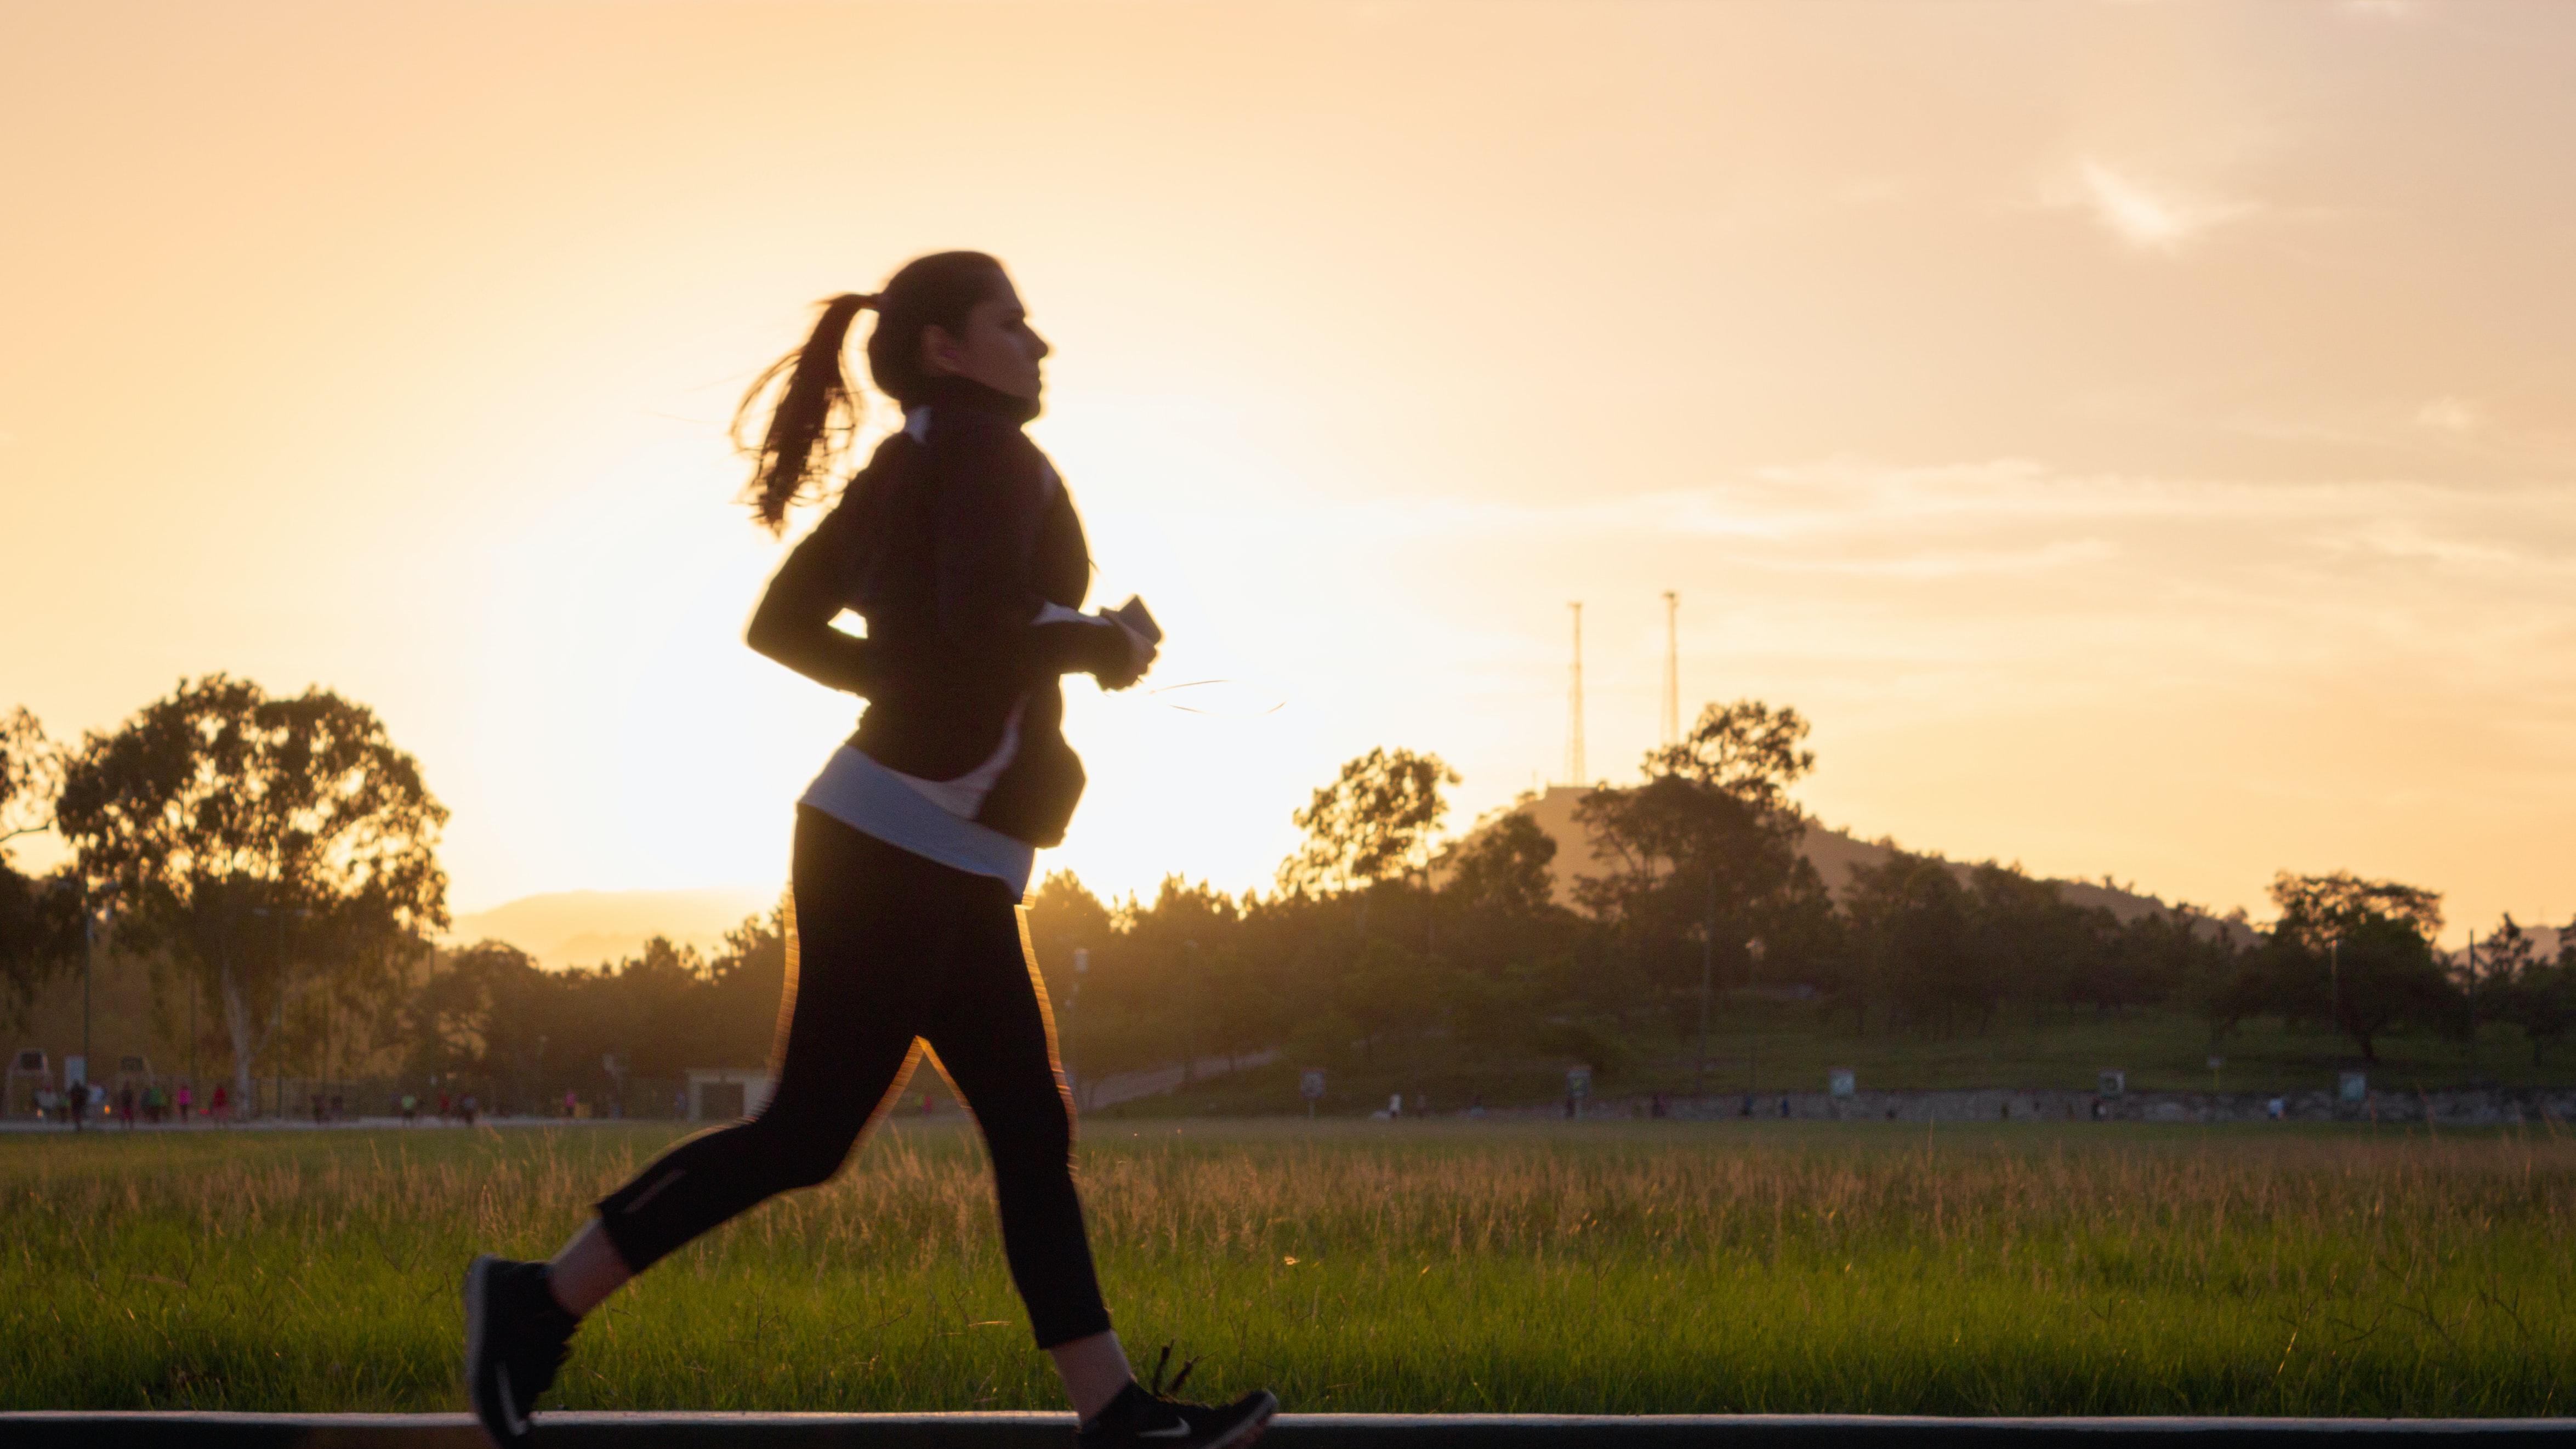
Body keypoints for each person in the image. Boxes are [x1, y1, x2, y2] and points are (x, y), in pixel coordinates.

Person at [461, 254, 1273, 1449]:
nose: (1039, 345)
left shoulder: (913, 463)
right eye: (1013, 323)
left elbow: (787, 623)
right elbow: (976, 622)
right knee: (811, 1132)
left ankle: (1112, 1406)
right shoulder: (986, 460)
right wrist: (1091, 637)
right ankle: (533, 1298)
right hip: (901, 843)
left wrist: (922, 678)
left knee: (1025, 1120)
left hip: (925, 844)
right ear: (947, 345)